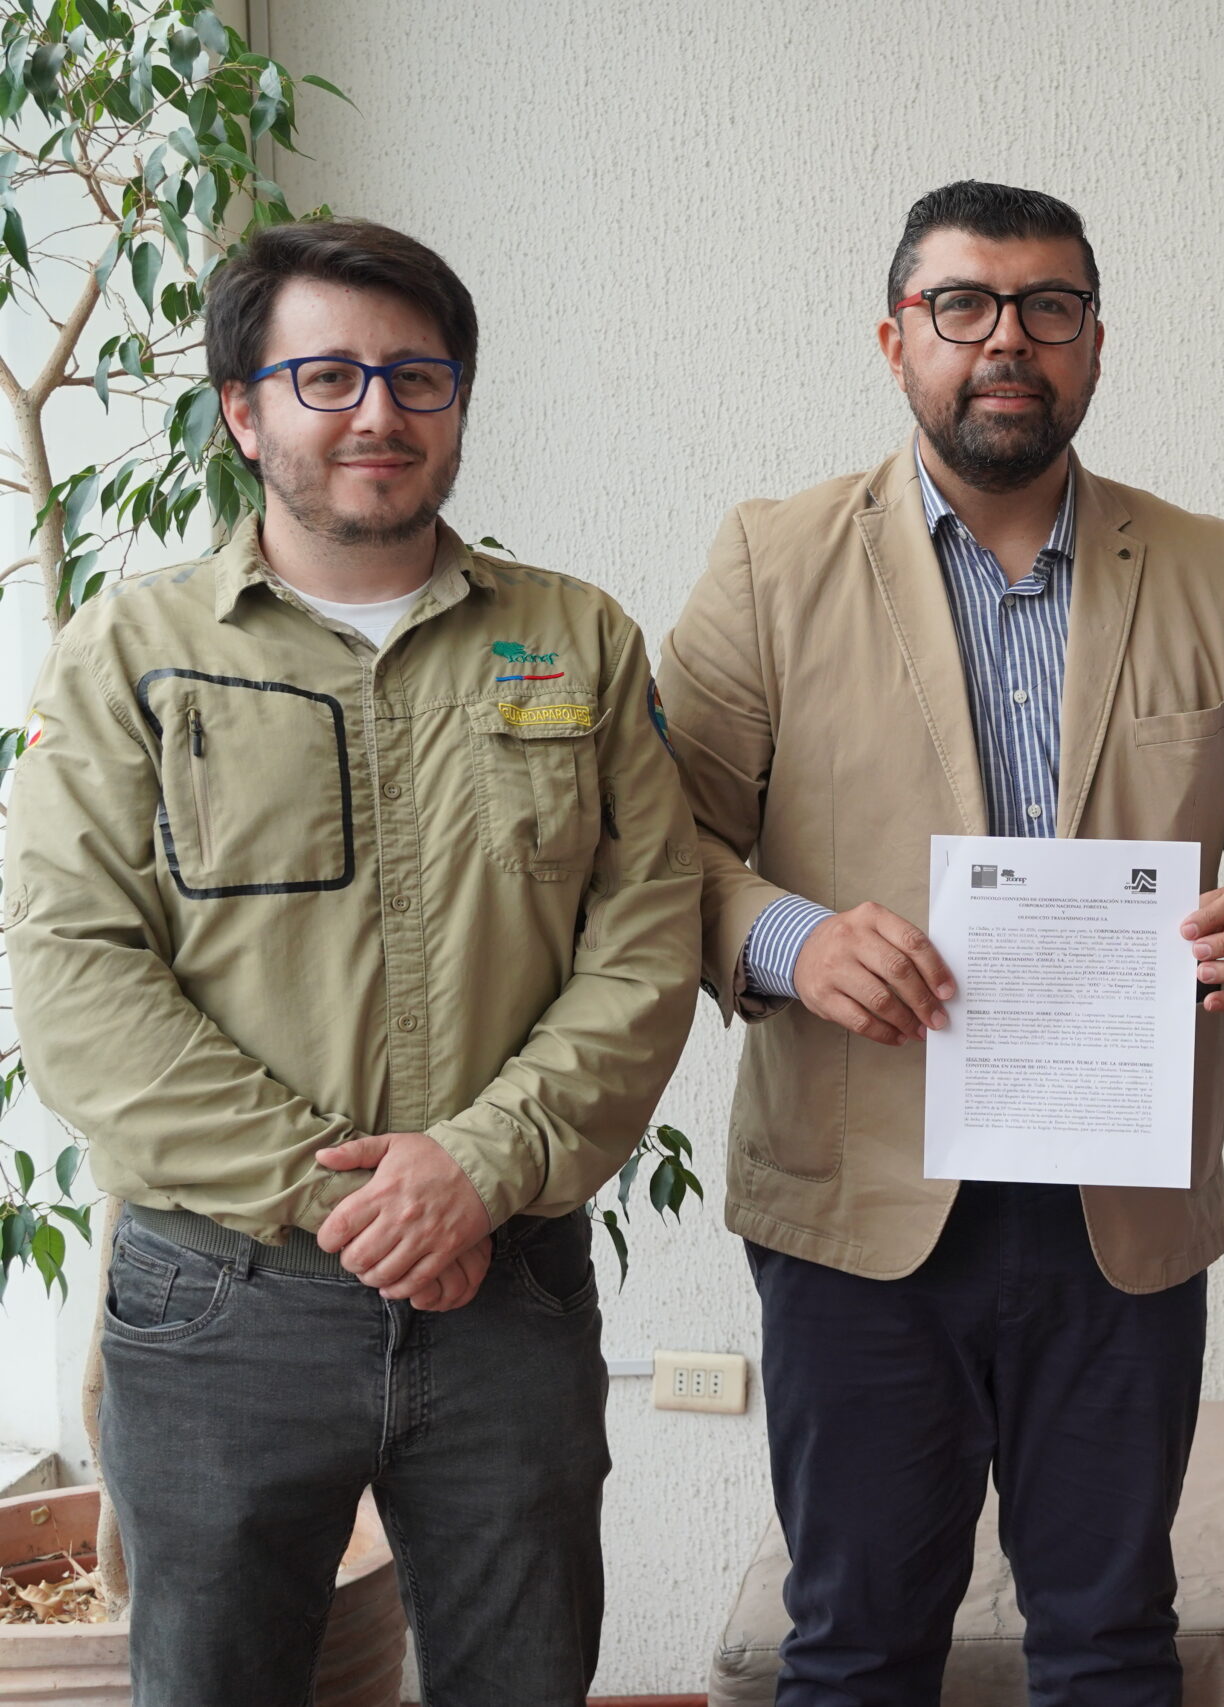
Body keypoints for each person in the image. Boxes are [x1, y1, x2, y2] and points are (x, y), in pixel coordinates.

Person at [659, 180, 1224, 1705]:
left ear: (1095, 341)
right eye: (962, 305)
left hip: (1118, 1207)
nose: (1006, 341)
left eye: (1048, 307)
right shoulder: (773, 560)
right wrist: (788, 938)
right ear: (895, 339)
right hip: (861, 1207)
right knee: (855, 1649)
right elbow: (661, 844)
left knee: (1110, 1644)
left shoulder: (1212, 569)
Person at [2, 218, 701, 1704]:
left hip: (506, 1289)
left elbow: (647, 940)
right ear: (244, 412)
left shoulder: (580, 639)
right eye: (325, 377)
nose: (378, 412)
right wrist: (347, 1195)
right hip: (222, 1303)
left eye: (416, 376)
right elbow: (77, 978)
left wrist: (476, 1167)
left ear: (457, 403)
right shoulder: (127, 656)